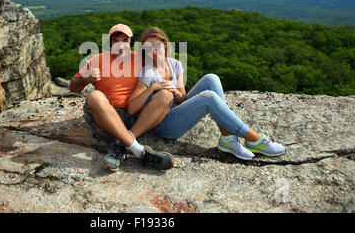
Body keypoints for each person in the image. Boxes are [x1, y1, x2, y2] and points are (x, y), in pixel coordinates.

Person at [127, 27, 286, 160]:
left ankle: (228, 138)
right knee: (208, 98)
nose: (153, 52)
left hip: (179, 114)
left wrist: (175, 90)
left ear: (165, 45)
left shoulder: (175, 65)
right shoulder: (148, 72)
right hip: (164, 125)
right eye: (148, 48)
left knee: (211, 78)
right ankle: (254, 139)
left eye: (157, 46)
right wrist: (153, 87)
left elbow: (182, 99)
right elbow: (132, 107)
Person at [69, 24, 175, 171]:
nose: (120, 44)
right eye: (115, 40)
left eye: (125, 40)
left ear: (131, 43)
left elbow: (165, 67)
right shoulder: (97, 59)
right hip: (107, 118)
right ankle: (140, 151)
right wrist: (85, 79)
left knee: (166, 94)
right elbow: (73, 87)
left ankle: (121, 145)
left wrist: (174, 88)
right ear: (110, 43)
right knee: (94, 96)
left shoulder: (141, 59)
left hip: (135, 119)